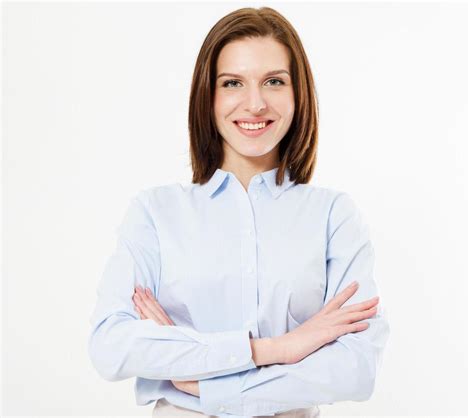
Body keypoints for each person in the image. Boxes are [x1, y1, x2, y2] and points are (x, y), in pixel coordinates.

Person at [88, 6, 390, 418]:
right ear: (207, 97)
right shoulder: (156, 213)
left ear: (297, 93)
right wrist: (276, 349)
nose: (255, 103)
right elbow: (112, 346)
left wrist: (204, 378)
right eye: (232, 83)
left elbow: (355, 369)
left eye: (273, 81)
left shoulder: (333, 216)